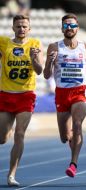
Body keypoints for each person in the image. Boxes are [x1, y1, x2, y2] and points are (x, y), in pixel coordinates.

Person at [43, 13, 86, 178]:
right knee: (65, 136)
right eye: (66, 25)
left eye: (72, 25)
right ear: (62, 28)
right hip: (61, 93)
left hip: (79, 90)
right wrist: (49, 63)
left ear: (77, 28)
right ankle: (71, 143)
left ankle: (73, 163)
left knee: (77, 124)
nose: (69, 28)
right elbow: (46, 75)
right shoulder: (54, 47)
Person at [0, 14, 43, 186]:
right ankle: (6, 130)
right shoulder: (4, 43)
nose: (21, 29)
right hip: (6, 94)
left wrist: (34, 58)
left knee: (20, 134)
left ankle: (11, 175)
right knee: (2, 139)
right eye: (18, 26)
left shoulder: (35, 44)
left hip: (26, 95)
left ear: (29, 29)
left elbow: (39, 70)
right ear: (13, 28)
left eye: (24, 26)